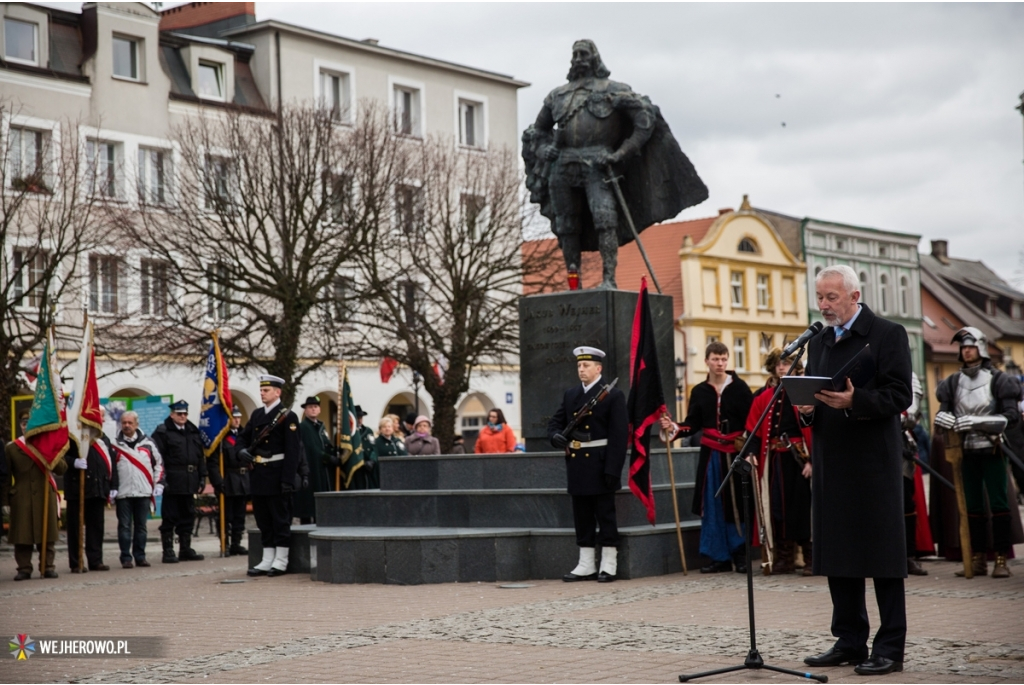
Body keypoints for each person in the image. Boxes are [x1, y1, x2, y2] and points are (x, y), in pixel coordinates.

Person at [797, 265, 912, 676]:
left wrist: (855, 401)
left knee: (881, 556)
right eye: (820, 297)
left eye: (831, 297)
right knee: (839, 553)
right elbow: (817, 395)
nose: (824, 305)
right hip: (832, 460)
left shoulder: (887, 334)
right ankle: (849, 640)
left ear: (854, 295)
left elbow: (900, 395)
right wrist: (808, 411)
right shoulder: (820, 341)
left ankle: (889, 647)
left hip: (873, 462)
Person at [934, 327, 1022, 579]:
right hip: (964, 450)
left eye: (971, 346)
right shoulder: (952, 382)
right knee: (971, 506)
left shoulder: (999, 380)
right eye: (963, 347)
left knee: (999, 504)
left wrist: (973, 421)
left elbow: (1010, 417)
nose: (967, 350)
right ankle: (977, 558)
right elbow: (943, 414)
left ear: (981, 348)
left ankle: (1001, 558)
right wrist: (947, 419)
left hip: (993, 447)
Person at [660, 341, 753, 574]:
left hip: (736, 453)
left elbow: (752, 423)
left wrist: (750, 452)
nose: (719, 363)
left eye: (723, 359)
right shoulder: (699, 391)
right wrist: (674, 427)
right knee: (711, 504)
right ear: (706, 362)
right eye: (715, 359)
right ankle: (718, 556)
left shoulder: (740, 389)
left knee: (737, 505)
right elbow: (692, 424)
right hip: (711, 454)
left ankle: (740, 554)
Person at [548, 346, 627, 583]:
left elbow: (619, 436)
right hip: (577, 464)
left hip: (601, 463)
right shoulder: (571, 394)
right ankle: (585, 564)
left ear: (598, 368)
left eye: (586, 366)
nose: (581, 370)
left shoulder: (613, 395)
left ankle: (609, 563)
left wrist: (613, 468)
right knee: (582, 515)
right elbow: (555, 422)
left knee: (605, 515)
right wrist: (555, 437)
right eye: (579, 366)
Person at [743, 348, 812, 576]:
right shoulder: (764, 397)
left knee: (803, 509)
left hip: (799, 461)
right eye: (779, 364)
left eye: (787, 363)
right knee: (777, 510)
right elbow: (753, 432)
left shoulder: (805, 393)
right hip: (774, 463)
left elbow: (815, 431)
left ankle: (811, 557)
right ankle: (783, 559)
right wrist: (750, 453)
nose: (783, 368)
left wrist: (812, 461)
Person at [237, 375, 301, 577]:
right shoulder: (256, 415)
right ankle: (267, 559)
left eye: (266, 390)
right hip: (259, 474)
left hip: (277, 473)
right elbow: (242, 438)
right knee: (263, 519)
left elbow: (293, 452)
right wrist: (240, 451)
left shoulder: (288, 417)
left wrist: (287, 480)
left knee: (280, 519)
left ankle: (281, 560)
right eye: (261, 390)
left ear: (277, 392)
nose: (262, 393)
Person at [3, 433, 67, 579]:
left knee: (48, 533)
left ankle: (48, 566)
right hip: (22, 496)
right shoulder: (12, 448)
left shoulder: (48, 445)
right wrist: (5, 501)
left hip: (45, 494)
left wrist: (50, 452)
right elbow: (5, 477)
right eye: (24, 423)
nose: (27, 426)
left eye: (29, 422)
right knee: (22, 535)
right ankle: (24, 568)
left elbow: (61, 469)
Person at [151, 400, 207, 564]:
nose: (182, 416)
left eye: (185, 414)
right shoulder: (163, 432)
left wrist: (202, 476)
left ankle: (185, 549)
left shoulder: (192, 431)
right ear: (172, 414)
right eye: (179, 413)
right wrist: (162, 479)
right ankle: (168, 551)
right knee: (170, 517)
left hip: (190, 480)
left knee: (188, 516)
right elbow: (157, 458)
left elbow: (200, 456)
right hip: (173, 480)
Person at [112, 411, 164, 569]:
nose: (127, 426)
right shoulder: (114, 445)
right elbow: (110, 469)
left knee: (141, 527)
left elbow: (158, 465)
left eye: (130, 423)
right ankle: (126, 558)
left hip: (143, 491)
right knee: (125, 526)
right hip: (123, 492)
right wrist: (112, 488)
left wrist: (158, 483)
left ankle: (140, 556)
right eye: (124, 422)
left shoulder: (148, 443)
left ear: (136, 424)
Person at [64, 429, 117, 572]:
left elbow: (111, 461)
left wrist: (113, 485)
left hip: (97, 487)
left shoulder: (103, 438)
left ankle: (95, 560)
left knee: (96, 527)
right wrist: (73, 462)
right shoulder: (72, 435)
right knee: (75, 528)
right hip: (77, 488)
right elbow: (60, 456)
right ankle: (76, 562)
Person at [901, 373, 933, 575]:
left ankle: (907, 556)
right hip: (867, 442)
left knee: (905, 501)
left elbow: (914, 402)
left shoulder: (903, 367)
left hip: (899, 437)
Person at [206, 406, 250, 555]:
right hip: (228, 480)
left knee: (239, 516)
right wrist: (217, 481)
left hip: (242, 480)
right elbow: (213, 463)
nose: (237, 420)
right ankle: (225, 542)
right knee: (226, 515)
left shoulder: (244, 437)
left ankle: (236, 543)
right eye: (234, 417)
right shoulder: (220, 438)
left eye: (238, 417)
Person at [297, 396, 333, 517]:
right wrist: (327, 457)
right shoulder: (303, 427)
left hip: (322, 469)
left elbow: (325, 444)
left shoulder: (321, 427)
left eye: (315, 406)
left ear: (319, 409)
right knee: (309, 502)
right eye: (310, 407)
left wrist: (334, 452)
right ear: (305, 410)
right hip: (311, 468)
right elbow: (312, 449)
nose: (313, 409)